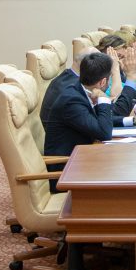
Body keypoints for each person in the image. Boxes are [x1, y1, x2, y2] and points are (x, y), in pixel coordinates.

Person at [42, 52, 120, 189]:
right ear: (103, 82)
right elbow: (104, 133)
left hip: (79, 160)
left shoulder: (79, 90)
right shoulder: (71, 100)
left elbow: (97, 120)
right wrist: (103, 100)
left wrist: (131, 120)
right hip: (66, 172)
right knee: (119, 172)